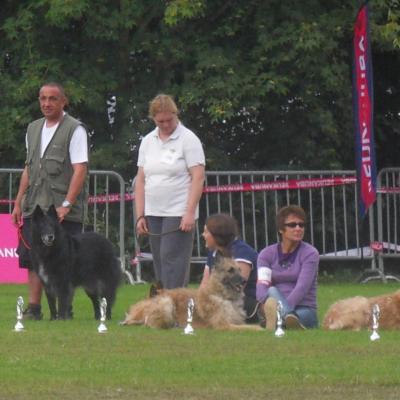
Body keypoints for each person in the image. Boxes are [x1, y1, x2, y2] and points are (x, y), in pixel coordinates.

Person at [11, 82, 89, 320]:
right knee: (32, 258)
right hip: (35, 206)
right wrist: (18, 201)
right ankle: (34, 309)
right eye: (43, 98)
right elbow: (29, 168)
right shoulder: (33, 129)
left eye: (53, 98)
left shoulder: (75, 129)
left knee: (64, 261)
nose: (47, 103)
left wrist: (66, 204)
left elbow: (80, 169)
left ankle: (64, 310)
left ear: (63, 101)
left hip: (60, 209)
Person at [135, 94, 205, 289]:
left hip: (178, 211)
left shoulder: (188, 139)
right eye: (160, 121)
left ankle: (175, 307)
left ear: (176, 114)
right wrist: (140, 215)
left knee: (171, 259)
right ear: (153, 119)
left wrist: (189, 212)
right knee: (159, 260)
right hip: (153, 211)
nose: (165, 125)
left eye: (169, 120)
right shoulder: (148, 141)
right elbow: (140, 179)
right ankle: (163, 307)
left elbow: (198, 177)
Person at [256, 205, 319, 330]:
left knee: (296, 317)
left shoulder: (310, 253)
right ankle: (284, 321)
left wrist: (284, 310)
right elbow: (262, 288)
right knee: (272, 290)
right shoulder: (266, 254)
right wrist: (267, 306)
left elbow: (302, 287)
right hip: (273, 307)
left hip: (304, 309)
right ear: (281, 229)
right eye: (292, 225)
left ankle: (280, 321)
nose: (298, 228)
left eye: (301, 225)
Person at [199, 213, 260, 323]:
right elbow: (204, 284)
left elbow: (238, 287)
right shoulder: (214, 252)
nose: (203, 235)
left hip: (244, 301)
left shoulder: (242, 252)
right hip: (220, 298)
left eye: (206, 232)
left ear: (217, 235)